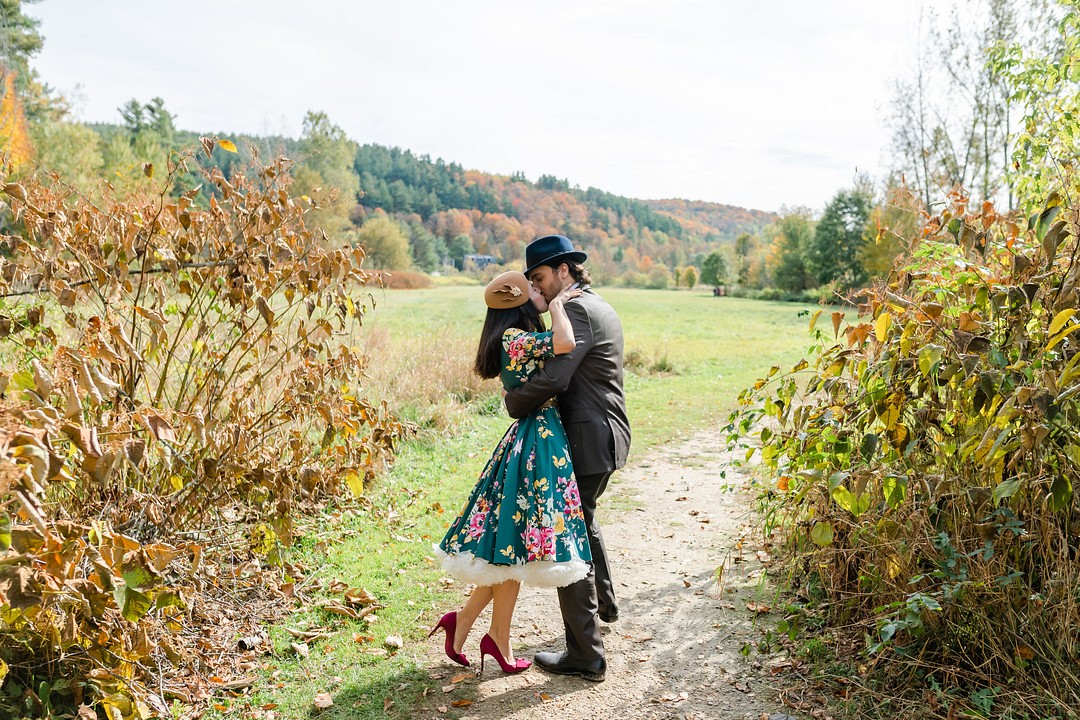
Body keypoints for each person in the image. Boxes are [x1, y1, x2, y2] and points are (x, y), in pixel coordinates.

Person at [430, 270, 592, 674]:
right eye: (534, 290)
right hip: (535, 444)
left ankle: (474, 625)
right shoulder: (515, 339)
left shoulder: (514, 338)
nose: (541, 293)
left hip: (533, 438)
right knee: (515, 546)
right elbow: (566, 342)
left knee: (513, 547)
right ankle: (490, 634)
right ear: (519, 301)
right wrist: (557, 306)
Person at [504, 234, 630, 683]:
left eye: (539, 279)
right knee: (585, 521)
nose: (536, 290)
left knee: (569, 537)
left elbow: (556, 376)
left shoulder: (575, 310)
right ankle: (605, 606)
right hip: (605, 435)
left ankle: (586, 654)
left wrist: (512, 400)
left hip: (587, 438)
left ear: (564, 270)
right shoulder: (598, 304)